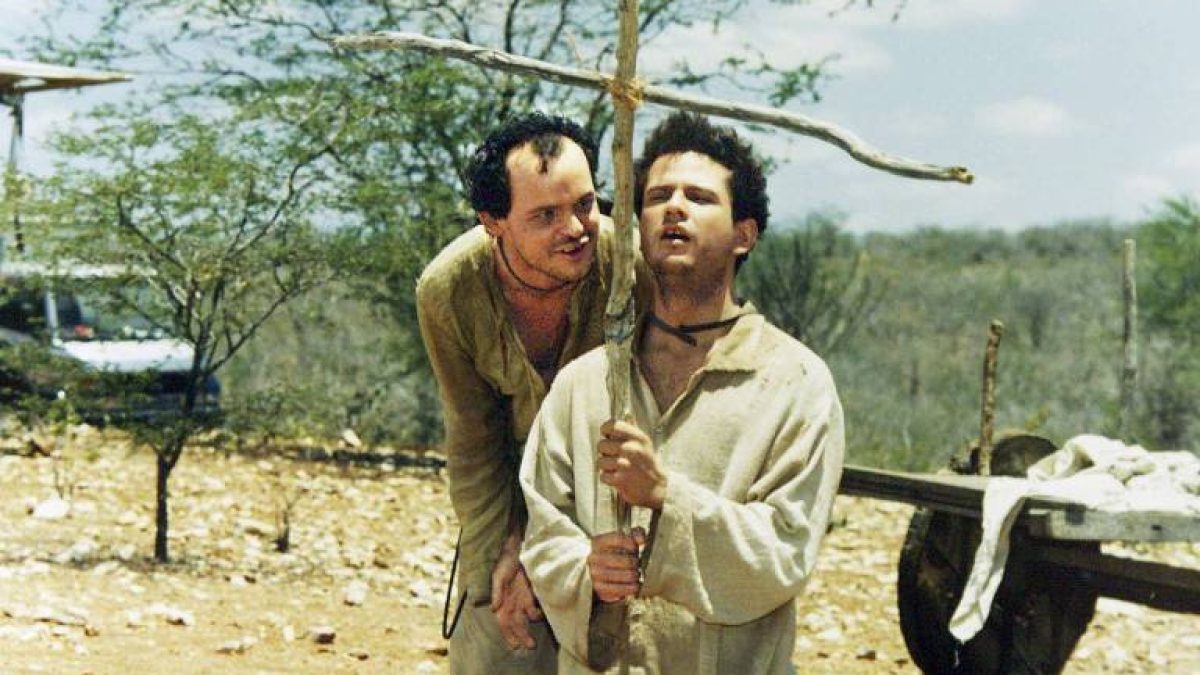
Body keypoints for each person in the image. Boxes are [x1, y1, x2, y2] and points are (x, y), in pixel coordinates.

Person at [519, 111, 846, 674]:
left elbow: (785, 551)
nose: (674, 208)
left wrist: (667, 498)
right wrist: (587, 572)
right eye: (657, 197)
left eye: (699, 197)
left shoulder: (796, 384)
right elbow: (546, 532)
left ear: (744, 234)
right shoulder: (586, 384)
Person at [417, 112, 622, 673]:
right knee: (501, 633)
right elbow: (473, 439)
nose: (576, 228)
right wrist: (500, 563)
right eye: (546, 215)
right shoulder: (448, 291)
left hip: (615, 494)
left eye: (585, 204)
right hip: (514, 491)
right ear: (494, 222)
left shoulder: (630, 268)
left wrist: (553, 547)